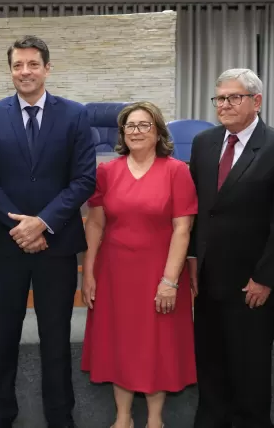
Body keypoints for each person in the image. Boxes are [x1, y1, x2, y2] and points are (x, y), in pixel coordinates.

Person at [0, 35, 96, 428]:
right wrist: (20, 227)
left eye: (32, 64)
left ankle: (60, 417)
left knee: (56, 337)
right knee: (3, 336)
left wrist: (42, 222)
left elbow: (84, 179)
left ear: (47, 68)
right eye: (17, 65)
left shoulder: (75, 115)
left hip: (56, 245)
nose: (24, 72)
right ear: (10, 70)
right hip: (6, 244)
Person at [188, 68, 274, 428]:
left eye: (233, 97)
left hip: (252, 285)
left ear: (257, 101)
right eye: (220, 98)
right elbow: (198, 209)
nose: (224, 105)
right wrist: (192, 259)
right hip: (207, 280)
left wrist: (265, 278)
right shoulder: (204, 143)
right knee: (210, 367)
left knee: (249, 373)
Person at [81, 101, 197, 428]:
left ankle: (155, 420)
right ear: (122, 134)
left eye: (144, 125)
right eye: (130, 126)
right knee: (119, 341)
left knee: (156, 343)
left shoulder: (177, 171)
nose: (136, 131)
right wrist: (88, 272)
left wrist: (170, 281)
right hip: (114, 272)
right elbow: (95, 224)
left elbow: (182, 229)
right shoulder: (106, 172)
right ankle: (123, 417)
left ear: (158, 132)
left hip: (160, 272)